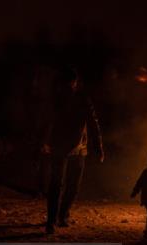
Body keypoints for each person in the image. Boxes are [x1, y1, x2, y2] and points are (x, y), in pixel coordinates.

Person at [42, 66, 104, 234]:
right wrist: (44, 141)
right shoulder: (57, 99)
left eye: (72, 82)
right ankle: (52, 220)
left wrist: (98, 147)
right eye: (68, 82)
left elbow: (93, 123)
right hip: (61, 147)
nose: (70, 85)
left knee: (71, 186)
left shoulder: (82, 99)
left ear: (75, 83)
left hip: (76, 148)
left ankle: (61, 217)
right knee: (57, 184)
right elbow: (47, 121)